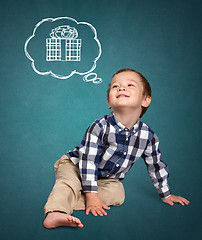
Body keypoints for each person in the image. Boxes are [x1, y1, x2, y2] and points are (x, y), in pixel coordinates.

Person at [43, 68, 190, 229]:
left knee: (118, 193)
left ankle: (67, 198)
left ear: (146, 100)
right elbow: (88, 162)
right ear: (109, 102)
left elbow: (155, 166)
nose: (121, 88)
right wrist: (91, 196)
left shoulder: (148, 136)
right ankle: (55, 212)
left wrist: (166, 194)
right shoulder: (99, 126)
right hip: (75, 166)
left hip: (105, 180)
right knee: (69, 182)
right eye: (115, 86)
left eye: (130, 85)